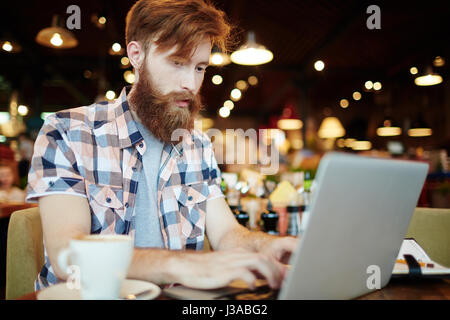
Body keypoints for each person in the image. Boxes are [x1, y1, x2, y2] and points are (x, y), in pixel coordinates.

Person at [26, 0, 298, 291]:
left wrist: (265, 245)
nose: (191, 83)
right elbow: (67, 255)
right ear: (136, 54)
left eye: (200, 67)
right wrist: (180, 264)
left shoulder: (198, 145)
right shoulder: (68, 131)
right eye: (177, 62)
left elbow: (227, 233)